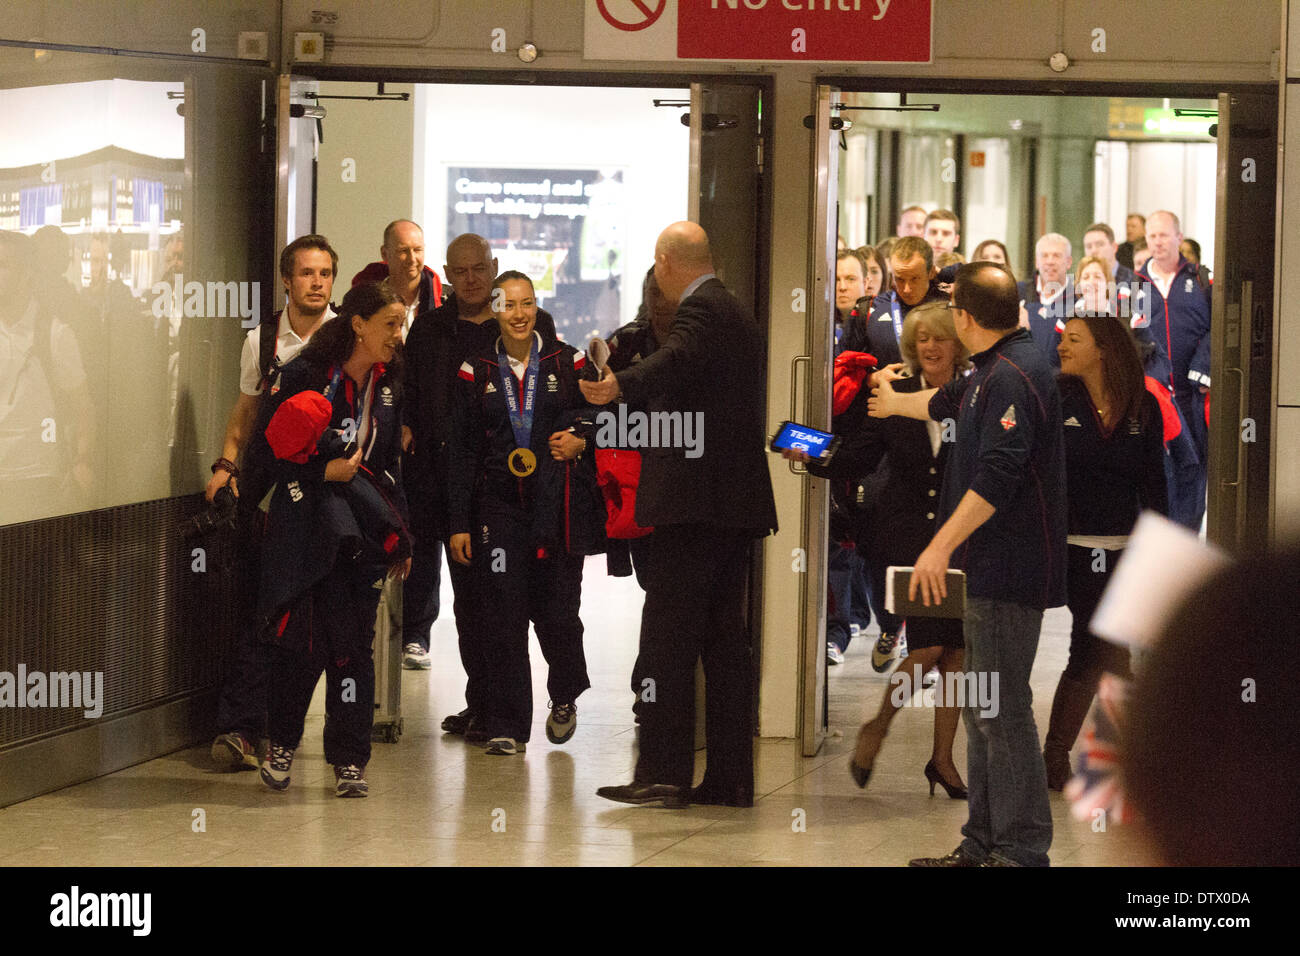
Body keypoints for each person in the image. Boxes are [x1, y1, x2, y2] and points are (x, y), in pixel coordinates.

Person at [869, 262, 1066, 867]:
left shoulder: (1014, 374)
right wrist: (892, 401)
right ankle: (982, 843)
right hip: (984, 571)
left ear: (964, 317)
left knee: (1002, 713)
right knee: (985, 710)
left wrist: (937, 546)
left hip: (1008, 570)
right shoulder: (990, 368)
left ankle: (1022, 849)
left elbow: (998, 477)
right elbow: (943, 401)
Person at [582, 221, 777, 808]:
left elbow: (675, 360)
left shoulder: (703, 310)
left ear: (666, 261)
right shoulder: (733, 309)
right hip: (728, 507)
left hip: (695, 507)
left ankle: (664, 769)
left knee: (666, 640)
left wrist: (617, 385)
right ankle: (729, 777)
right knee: (722, 645)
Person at [787, 302, 971, 797]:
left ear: (959, 341)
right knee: (931, 644)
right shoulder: (891, 391)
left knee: (956, 652)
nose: (930, 347)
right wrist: (811, 452)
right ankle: (878, 726)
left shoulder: (976, 391)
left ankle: (942, 759)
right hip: (907, 535)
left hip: (961, 535)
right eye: (921, 340)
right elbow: (859, 456)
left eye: (940, 338)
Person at [252, 281, 412, 797]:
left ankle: (349, 760)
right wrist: (326, 474)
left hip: (360, 536)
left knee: (352, 651)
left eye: (402, 322)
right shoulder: (305, 375)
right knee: (303, 645)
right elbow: (271, 454)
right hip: (308, 530)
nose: (398, 333)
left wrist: (399, 532)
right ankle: (281, 742)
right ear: (359, 324)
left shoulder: (388, 385)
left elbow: (387, 466)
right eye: (389, 323)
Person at [447, 271, 601, 756]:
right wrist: (458, 523)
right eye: (509, 305)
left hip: (555, 506)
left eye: (527, 303)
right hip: (499, 510)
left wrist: (582, 439)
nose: (519, 314)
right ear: (494, 310)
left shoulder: (567, 359)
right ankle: (507, 724)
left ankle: (565, 696)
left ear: (537, 307)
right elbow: (461, 451)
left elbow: (604, 414)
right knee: (503, 611)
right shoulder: (475, 370)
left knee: (557, 612)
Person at [401, 234, 556, 705]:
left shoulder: (528, 323)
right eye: (460, 271)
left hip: (508, 486)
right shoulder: (429, 329)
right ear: (446, 274)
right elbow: (407, 393)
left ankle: (507, 708)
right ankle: (480, 703)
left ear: (493, 268)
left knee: (504, 602)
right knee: (467, 606)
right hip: (440, 483)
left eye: (478, 269)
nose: (470, 280)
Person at [206, 234, 337, 771]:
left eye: (325, 273)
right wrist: (226, 465)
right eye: (306, 273)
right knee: (261, 606)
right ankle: (242, 728)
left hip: (328, 487)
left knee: (311, 618)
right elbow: (246, 414)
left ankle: (289, 730)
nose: (316, 282)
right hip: (270, 488)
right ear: (287, 280)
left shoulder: (349, 335)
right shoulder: (262, 340)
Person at [1043, 311, 1168, 790]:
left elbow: (1154, 483)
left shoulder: (1143, 406)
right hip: (1075, 546)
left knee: (1106, 651)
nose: (1061, 347)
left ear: (1104, 350)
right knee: (1100, 645)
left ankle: (1064, 756)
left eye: (1074, 340)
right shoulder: (1057, 398)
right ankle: (1083, 756)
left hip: (1127, 548)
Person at [1134, 210, 1211, 530]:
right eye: (1152, 236)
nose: (1157, 242)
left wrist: (1203, 365)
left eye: (1164, 235)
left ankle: (1188, 542)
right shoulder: (1131, 284)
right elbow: (1124, 334)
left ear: (1179, 238)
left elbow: (1219, 327)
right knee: (1156, 471)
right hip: (1153, 397)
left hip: (1191, 394)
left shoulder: (1202, 280)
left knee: (1193, 469)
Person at [350, 219, 442, 336]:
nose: (412, 259)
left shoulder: (443, 301)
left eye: (417, 250)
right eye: (403, 251)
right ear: (384, 254)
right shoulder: (364, 303)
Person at [1017, 233, 1073, 367]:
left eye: (1057, 256)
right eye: (1044, 255)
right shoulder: (1018, 293)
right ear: (1037, 262)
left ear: (1069, 262)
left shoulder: (1078, 302)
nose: (1050, 261)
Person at [1082, 222, 1134, 286]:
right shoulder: (1078, 283)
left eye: (1099, 245)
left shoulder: (1134, 280)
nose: (1093, 251)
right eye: (1089, 246)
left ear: (1114, 247)